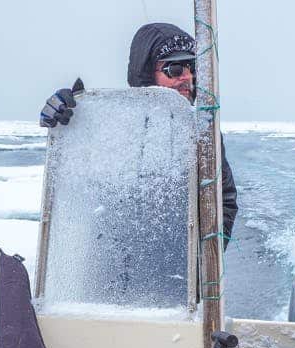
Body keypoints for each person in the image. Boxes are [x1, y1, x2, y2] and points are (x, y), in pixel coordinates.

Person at [39, 22, 238, 241]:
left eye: (193, 69)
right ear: (146, 72)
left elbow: (224, 201)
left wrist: (205, 259)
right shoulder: (112, 125)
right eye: (176, 69)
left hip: (183, 266)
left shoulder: (201, 133)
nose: (187, 78)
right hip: (116, 260)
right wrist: (68, 122)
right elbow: (78, 190)